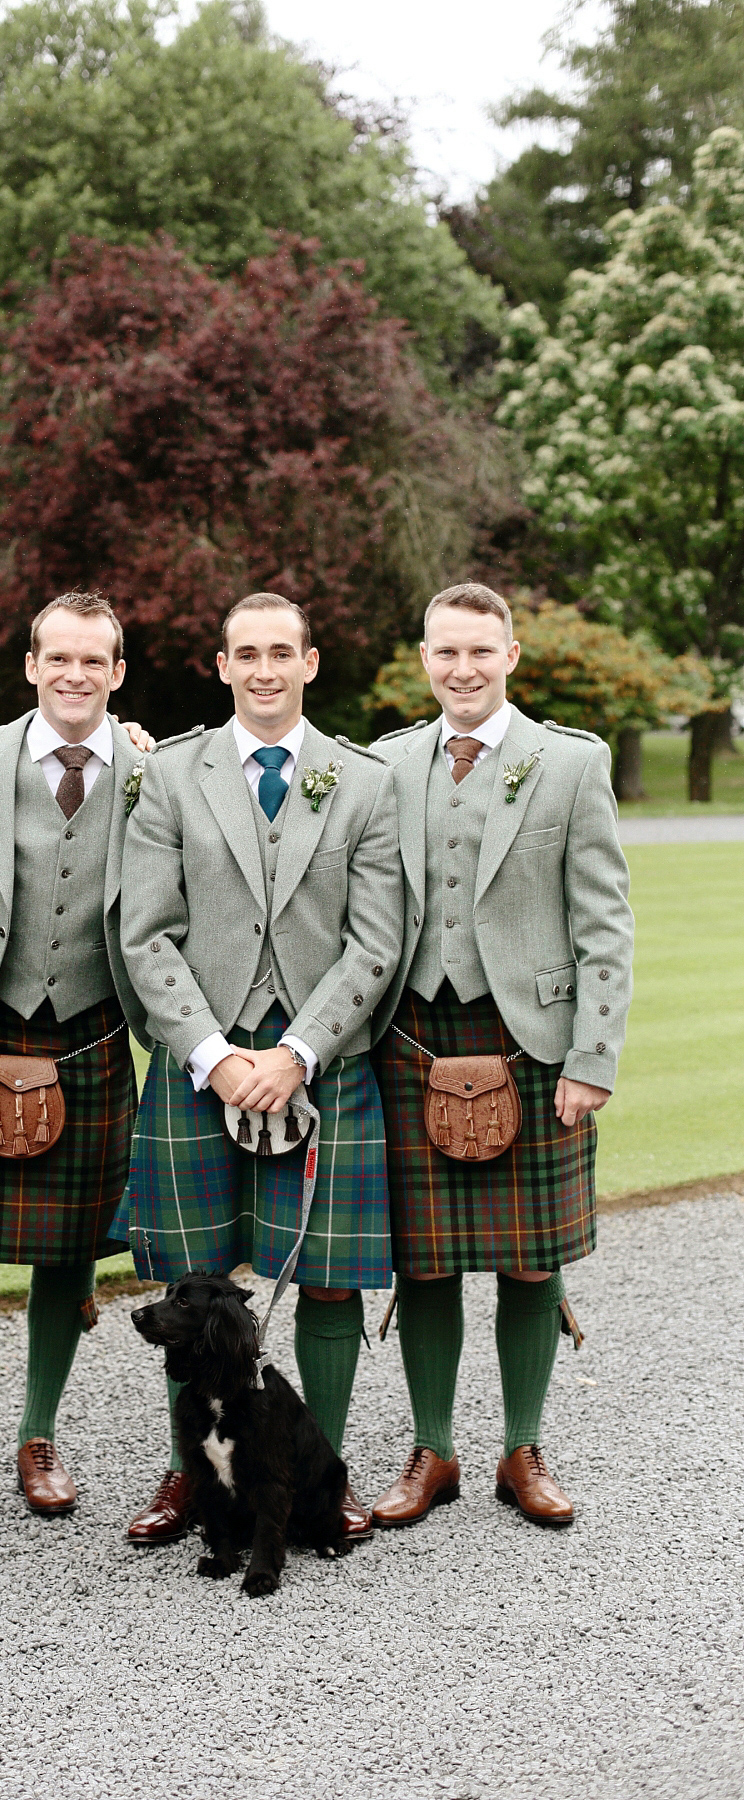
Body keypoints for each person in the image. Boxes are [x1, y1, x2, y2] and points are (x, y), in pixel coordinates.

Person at [115, 592, 403, 1548]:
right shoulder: (170, 777)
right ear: (222, 664)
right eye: (248, 653)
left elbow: (375, 943)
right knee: (191, 1285)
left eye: (283, 652)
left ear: (311, 664)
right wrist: (213, 1055)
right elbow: (146, 934)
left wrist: (296, 1053)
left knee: (325, 1278)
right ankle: (188, 1476)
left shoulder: (362, 780)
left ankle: (317, 1466)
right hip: (202, 1056)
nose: (266, 668)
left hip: (320, 1060)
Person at [368, 582, 633, 1528]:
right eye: (446, 652)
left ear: (511, 655)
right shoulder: (385, 765)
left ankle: (522, 1449)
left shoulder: (570, 762)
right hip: (409, 1041)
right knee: (426, 1261)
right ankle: (433, 1450)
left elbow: (605, 922)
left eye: (480, 652)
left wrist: (592, 1056)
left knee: (530, 1260)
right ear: (425, 657)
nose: (463, 670)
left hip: (531, 1042)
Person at [0, 591, 151, 1523]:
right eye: (60, 659)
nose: (75, 676)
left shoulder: (146, 767)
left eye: (94, 662)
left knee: (68, 1254)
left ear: (117, 673)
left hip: (90, 1032)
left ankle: (38, 1434)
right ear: (31, 663)